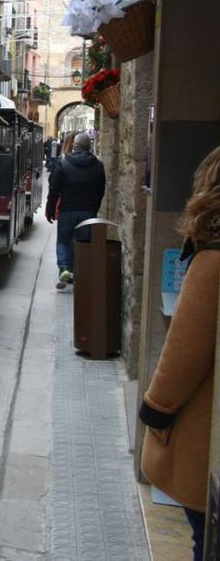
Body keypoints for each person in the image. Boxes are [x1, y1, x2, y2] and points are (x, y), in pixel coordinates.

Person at [139, 146, 220, 561]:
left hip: (206, 425)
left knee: (205, 538)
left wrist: (155, 408)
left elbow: (186, 349)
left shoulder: (213, 260)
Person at [45, 132, 106, 289]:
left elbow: (54, 189)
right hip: (88, 211)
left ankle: (64, 269)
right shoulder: (98, 166)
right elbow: (101, 190)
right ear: (89, 146)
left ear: (74, 146)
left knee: (63, 241)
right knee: (83, 244)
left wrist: (50, 209)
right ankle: (79, 273)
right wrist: (94, 208)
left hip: (67, 210)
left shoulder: (64, 163)